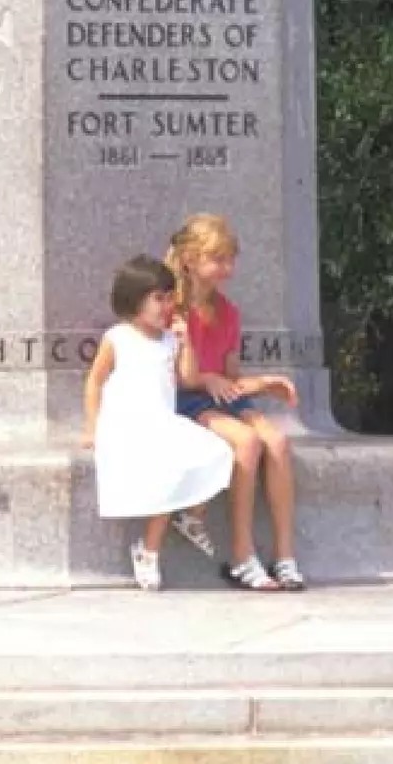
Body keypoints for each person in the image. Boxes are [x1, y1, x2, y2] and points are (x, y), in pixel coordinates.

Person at [165, 213, 305, 590]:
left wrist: (262, 383)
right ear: (191, 260)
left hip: (219, 396)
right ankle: (242, 555)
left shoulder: (228, 312)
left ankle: (285, 556)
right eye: (219, 259)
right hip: (187, 400)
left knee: (277, 441)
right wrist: (205, 376)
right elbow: (181, 377)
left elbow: (229, 375)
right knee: (247, 442)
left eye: (231, 259)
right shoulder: (171, 310)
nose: (229, 268)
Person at [82, 254, 236, 590]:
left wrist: (186, 341)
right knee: (168, 467)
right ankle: (149, 551)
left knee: (218, 452)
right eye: (158, 298)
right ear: (135, 300)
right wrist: (92, 426)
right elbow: (95, 381)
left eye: (169, 298)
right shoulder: (118, 338)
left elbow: (188, 377)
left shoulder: (169, 340)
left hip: (163, 420)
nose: (166, 306)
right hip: (127, 423)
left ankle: (191, 515)